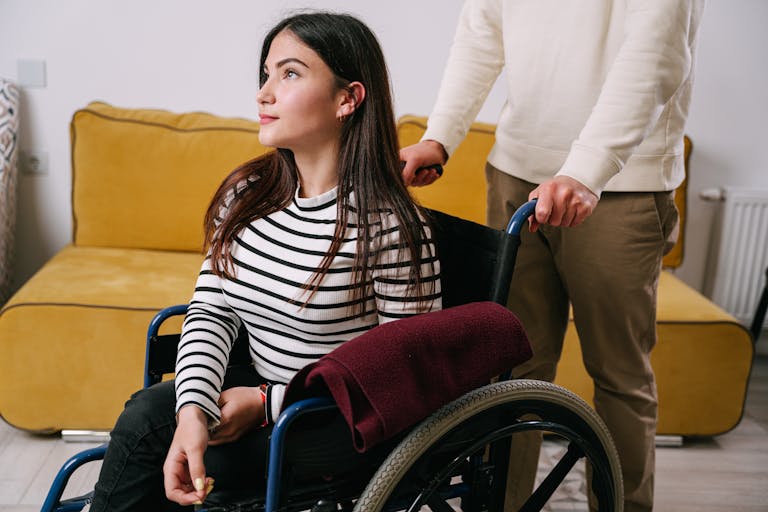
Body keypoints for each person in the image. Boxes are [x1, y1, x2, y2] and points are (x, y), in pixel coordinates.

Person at [89, 11, 441, 511]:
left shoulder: (391, 228)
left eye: (290, 73)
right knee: (155, 415)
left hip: (329, 427)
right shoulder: (249, 194)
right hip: (252, 399)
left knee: (147, 435)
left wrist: (265, 404)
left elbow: (403, 378)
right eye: (267, 74)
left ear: (349, 98)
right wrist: (193, 409)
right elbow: (212, 310)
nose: (264, 93)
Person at [400, 1, 704, 511]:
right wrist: (441, 134)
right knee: (513, 372)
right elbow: (482, 33)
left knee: (619, 375)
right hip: (516, 171)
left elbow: (656, 53)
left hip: (619, 184)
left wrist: (587, 168)